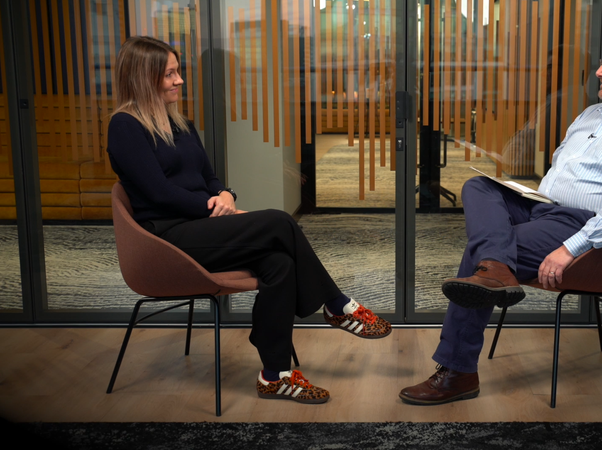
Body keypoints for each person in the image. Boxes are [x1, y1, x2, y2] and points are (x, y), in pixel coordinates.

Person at [399, 32, 602, 405]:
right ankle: (496, 268)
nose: (599, 71)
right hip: (544, 207)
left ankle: (459, 371)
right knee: (479, 186)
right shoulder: (591, 115)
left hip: (581, 225)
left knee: (480, 255)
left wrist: (569, 250)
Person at [107, 36, 391, 405]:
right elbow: (159, 193)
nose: (179, 80)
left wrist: (226, 195)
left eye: (178, 72)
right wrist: (212, 207)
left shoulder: (181, 124)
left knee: (280, 264)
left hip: (201, 227)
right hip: (166, 239)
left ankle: (275, 376)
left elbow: (208, 177)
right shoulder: (125, 126)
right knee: (278, 221)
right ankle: (336, 304)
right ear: (144, 78)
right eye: (169, 74)